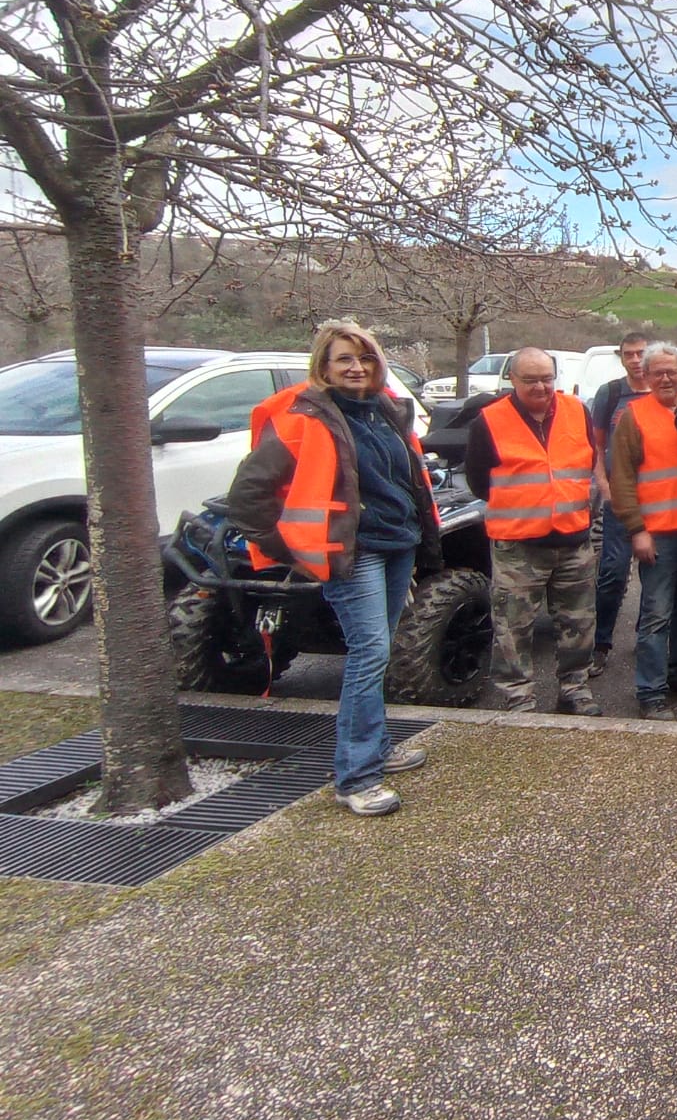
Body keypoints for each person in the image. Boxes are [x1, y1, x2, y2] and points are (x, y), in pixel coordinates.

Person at [228, 319, 438, 817]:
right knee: (368, 655)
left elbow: (406, 479)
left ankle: (378, 746)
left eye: (365, 358)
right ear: (323, 366)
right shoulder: (304, 419)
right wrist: (293, 547)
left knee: (378, 653)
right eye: (344, 358)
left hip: (396, 544)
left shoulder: (384, 412)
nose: (356, 367)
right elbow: (248, 497)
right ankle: (356, 775)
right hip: (353, 554)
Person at [465, 347, 602, 715]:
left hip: (573, 541)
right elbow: (479, 483)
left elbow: (588, 466)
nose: (541, 386)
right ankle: (518, 697)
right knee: (513, 628)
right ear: (512, 380)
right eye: (530, 380)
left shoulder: (577, 411)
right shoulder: (488, 422)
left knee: (578, 623)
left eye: (546, 378)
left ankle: (574, 690)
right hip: (518, 545)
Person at [606, 342, 677, 718]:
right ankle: (650, 691)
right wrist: (637, 530)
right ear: (645, 377)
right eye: (658, 372)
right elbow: (622, 479)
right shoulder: (633, 417)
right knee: (656, 613)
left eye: (672, 371)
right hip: (658, 535)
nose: (666, 378)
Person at [587, 330, 652, 678]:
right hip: (620, 500)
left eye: (642, 353)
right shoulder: (610, 394)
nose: (636, 360)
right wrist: (603, 485)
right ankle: (600, 643)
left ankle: (647, 637)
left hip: (658, 502)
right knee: (612, 572)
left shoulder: (666, 394)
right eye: (629, 354)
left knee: (654, 575)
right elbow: (595, 447)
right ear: (622, 357)